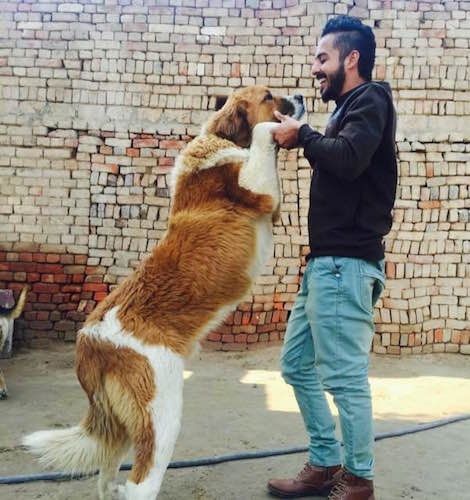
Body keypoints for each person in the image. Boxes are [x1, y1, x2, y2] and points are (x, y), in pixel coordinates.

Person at [267, 15, 397, 500]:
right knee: (297, 365)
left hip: (346, 264)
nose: (315, 67)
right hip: (324, 265)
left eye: (323, 58)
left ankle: (358, 477)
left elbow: (348, 159)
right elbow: (338, 154)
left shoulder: (371, 98)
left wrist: (302, 135)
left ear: (352, 58)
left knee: (343, 377)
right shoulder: (347, 109)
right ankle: (325, 462)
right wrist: (305, 135)